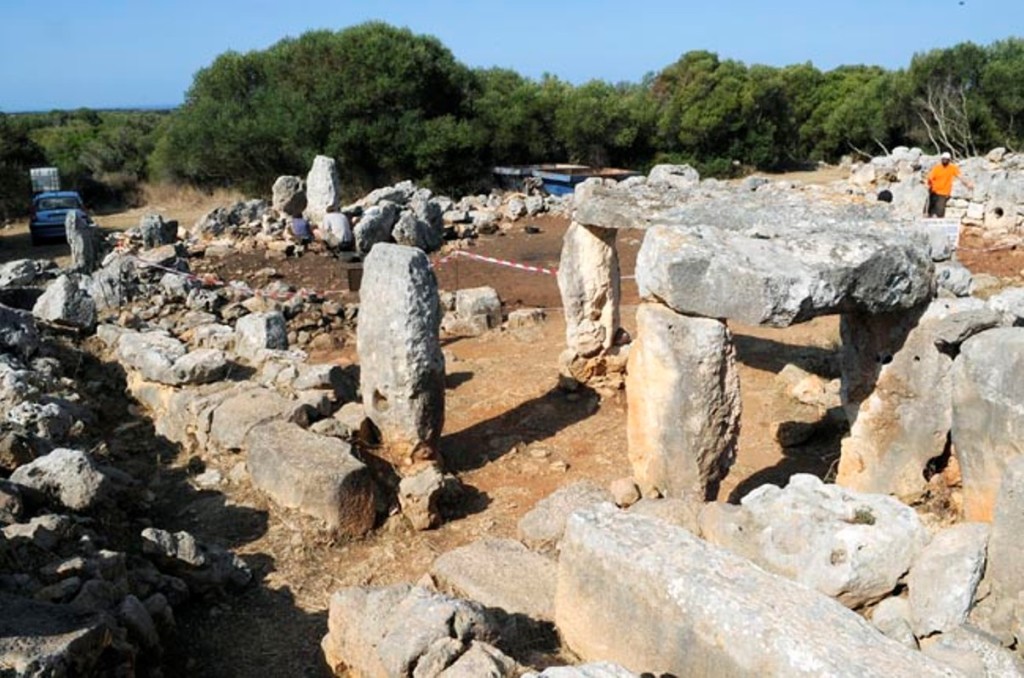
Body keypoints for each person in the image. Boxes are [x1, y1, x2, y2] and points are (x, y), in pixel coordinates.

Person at [925, 152, 974, 218]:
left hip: (944, 193)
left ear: (949, 160)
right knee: (930, 211)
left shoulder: (952, 168)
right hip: (934, 192)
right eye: (943, 159)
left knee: (940, 211)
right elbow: (930, 178)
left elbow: (960, 176)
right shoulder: (937, 168)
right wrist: (927, 185)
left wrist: (967, 184)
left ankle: (939, 224)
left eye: (946, 159)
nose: (944, 160)